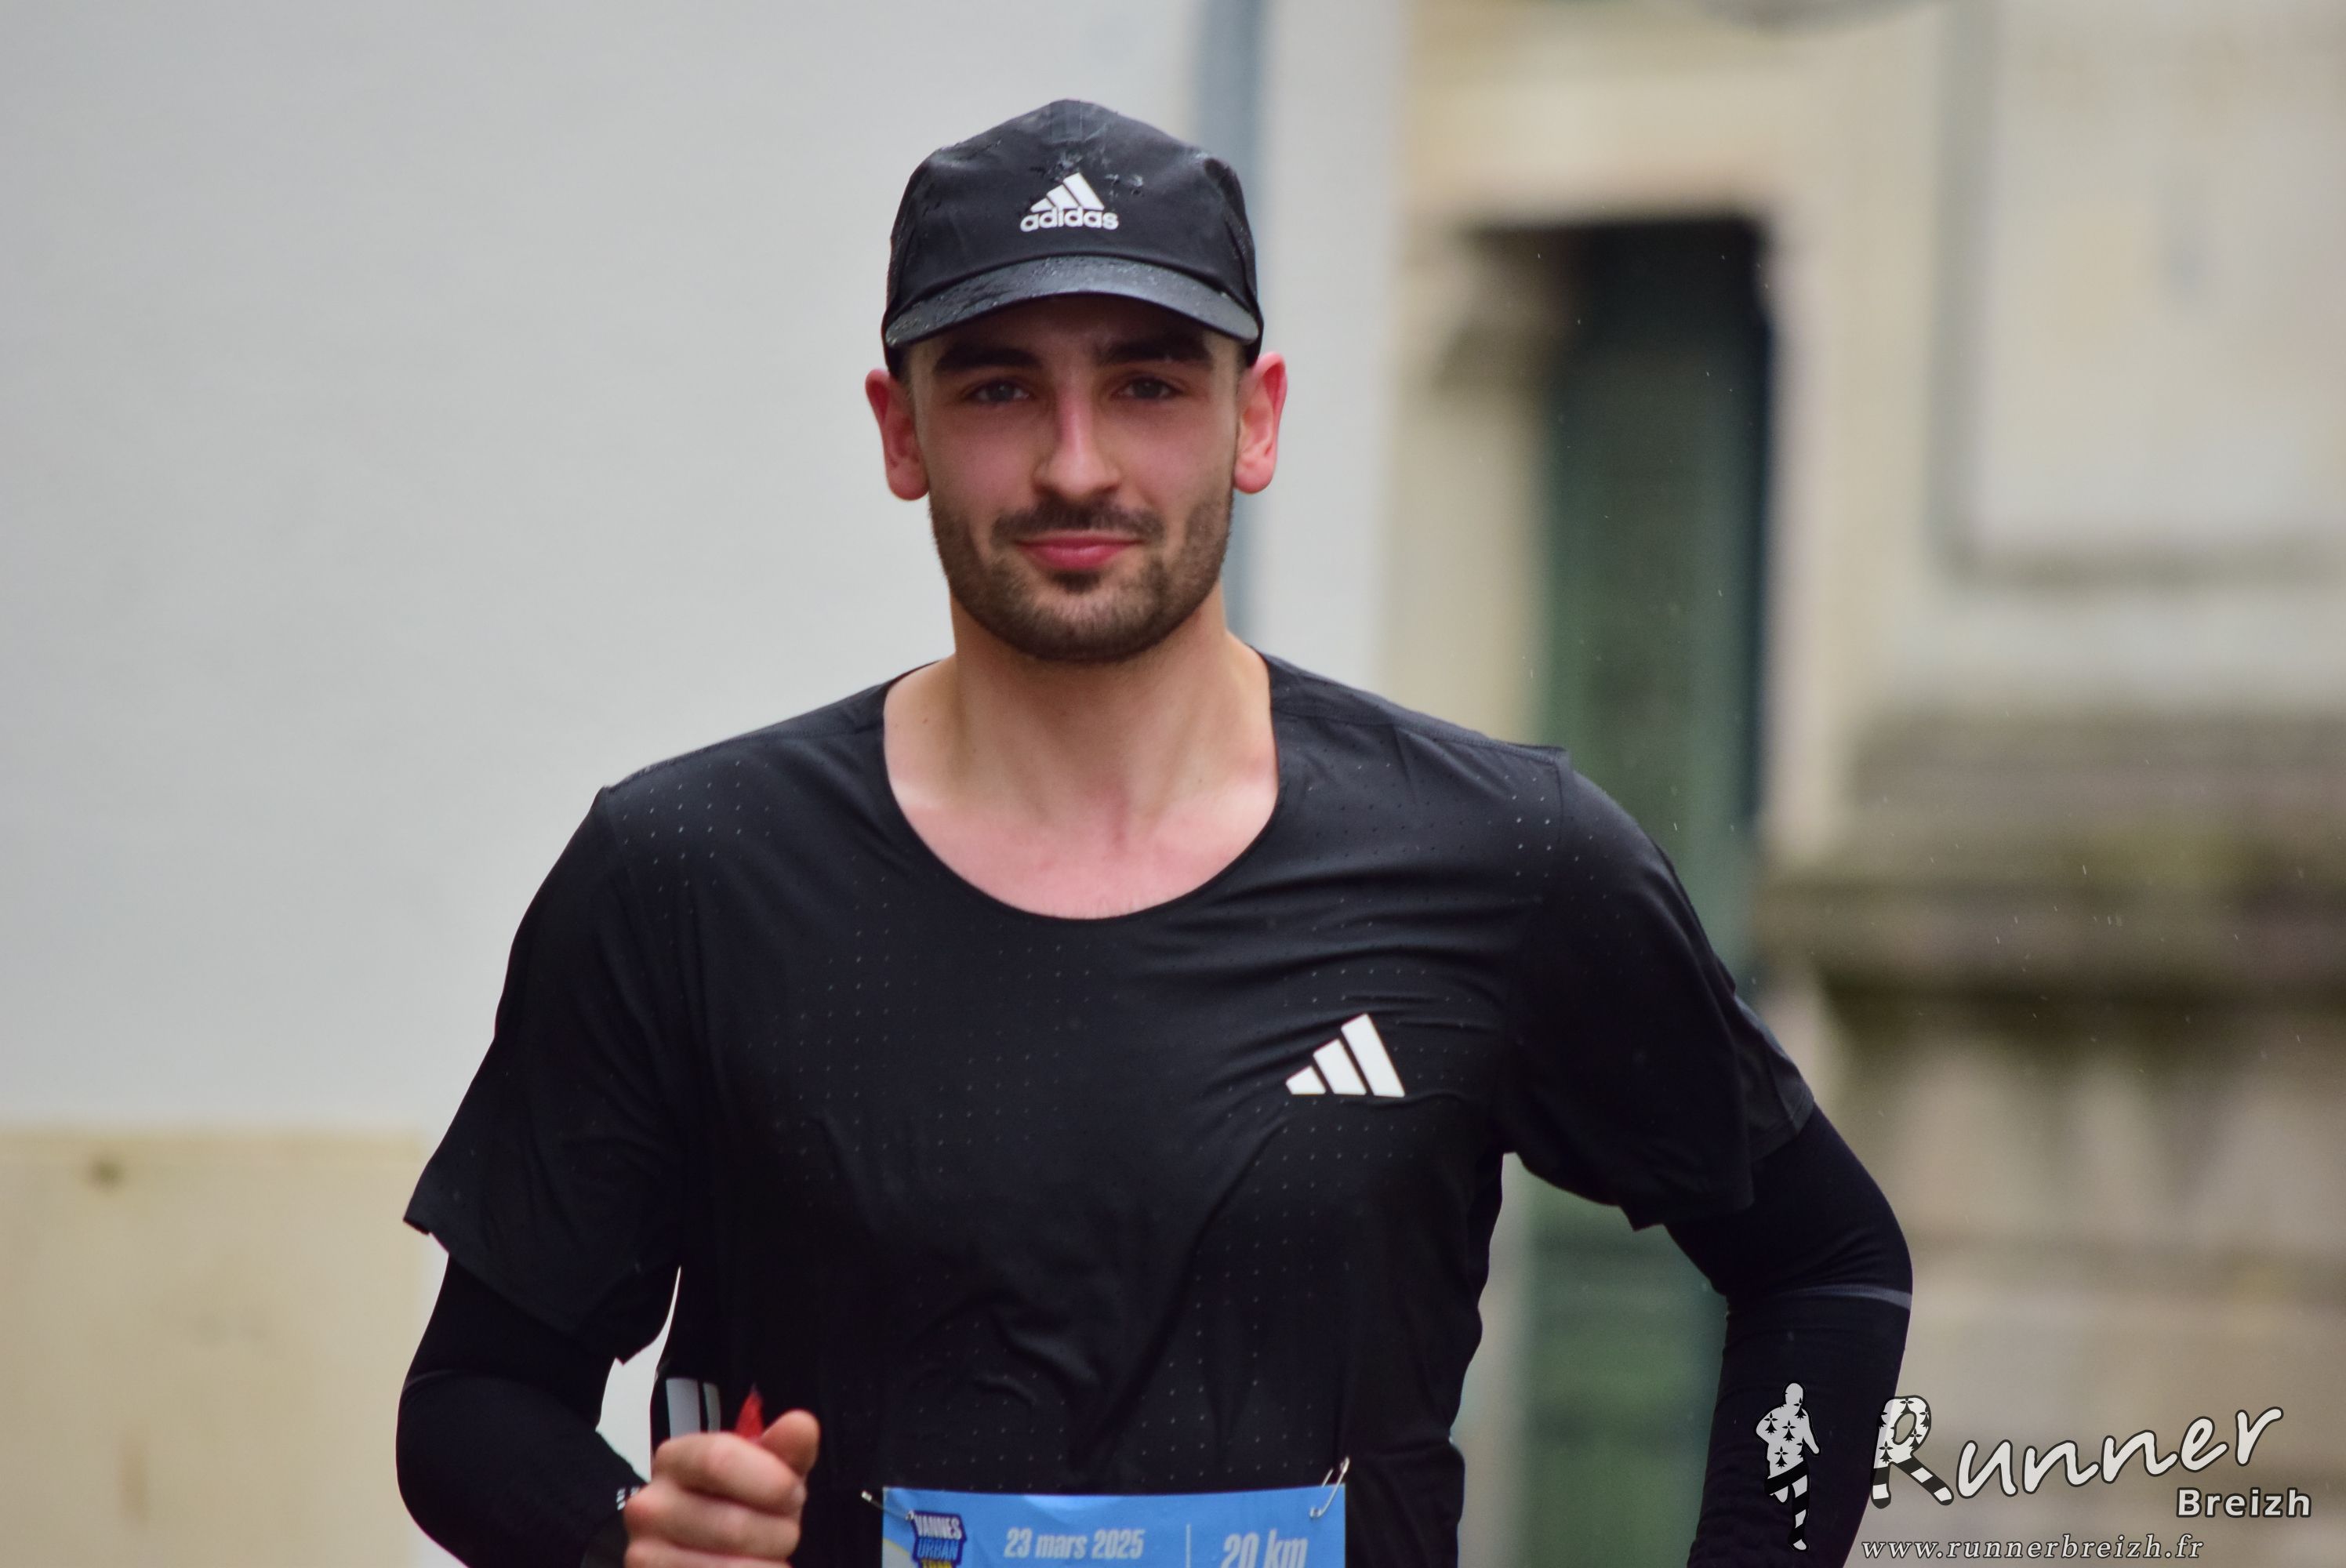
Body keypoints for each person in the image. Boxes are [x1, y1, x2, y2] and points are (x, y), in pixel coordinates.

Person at [395, 99, 1912, 1568]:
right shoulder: (690, 875)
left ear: (1257, 419)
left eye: (1148, 386)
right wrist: (620, 1540)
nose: (1077, 465)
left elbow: (1826, 1269)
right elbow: (472, 1404)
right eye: (998, 390)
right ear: (899, 430)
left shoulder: (1503, 857)